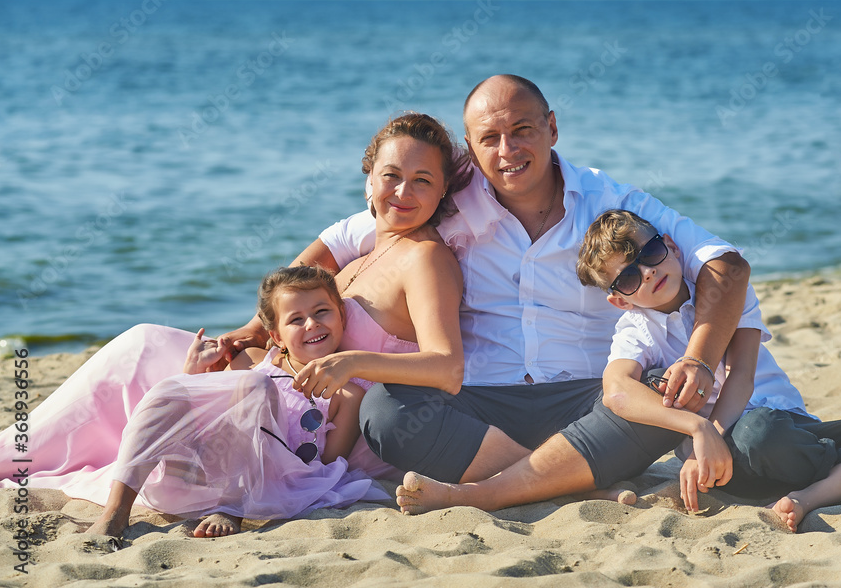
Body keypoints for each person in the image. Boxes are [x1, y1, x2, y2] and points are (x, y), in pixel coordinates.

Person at [267, 74, 754, 512]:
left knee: (662, 392)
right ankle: (564, 484)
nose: (508, 150)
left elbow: (726, 268)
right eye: (490, 138)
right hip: (483, 410)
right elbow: (343, 238)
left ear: (552, 128)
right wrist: (259, 323)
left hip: (590, 405)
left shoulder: (612, 205)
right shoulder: (444, 200)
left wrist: (699, 360)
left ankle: (492, 492)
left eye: (522, 130)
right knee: (385, 411)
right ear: (471, 148)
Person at [0, 113, 472, 536]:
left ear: (442, 190)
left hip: (321, 425)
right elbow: (282, 300)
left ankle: (24, 458)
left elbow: (447, 367)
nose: (403, 192)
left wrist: (352, 363)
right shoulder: (366, 242)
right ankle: (14, 452)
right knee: (143, 344)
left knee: (182, 378)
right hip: (282, 384)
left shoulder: (426, 258)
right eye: (391, 176)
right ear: (369, 179)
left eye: (422, 180)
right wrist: (248, 337)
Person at [575, 209, 841, 531]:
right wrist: (698, 429)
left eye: (651, 253)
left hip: (791, 430)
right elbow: (617, 390)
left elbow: (741, 375)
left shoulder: (723, 289)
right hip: (727, 463)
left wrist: (711, 429)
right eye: (628, 277)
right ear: (619, 300)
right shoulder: (637, 332)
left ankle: (837, 483)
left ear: (671, 245)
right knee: (757, 434)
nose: (647, 272)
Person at [87, 266, 384, 539]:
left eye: (322, 312)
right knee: (169, 392)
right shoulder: (252, 360)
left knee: (257, 386)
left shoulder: (348, 395)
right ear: (277, 336)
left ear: (341, 316)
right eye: (296, 319)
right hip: (205, 466)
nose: (311, 324)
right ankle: (116, 511)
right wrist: (193, 371)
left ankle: (232, 507)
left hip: (273, 480)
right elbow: (211, 413)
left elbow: (325, 466)